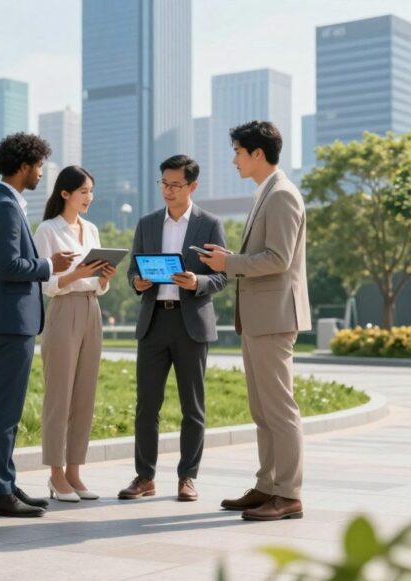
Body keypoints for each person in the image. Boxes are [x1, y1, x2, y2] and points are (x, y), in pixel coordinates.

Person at [200, 120, 311, 521]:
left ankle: (289, 493)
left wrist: (227, 263)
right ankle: (268, 485)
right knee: (262, 409)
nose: (234, 160)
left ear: (257, 154)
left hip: (274, 316)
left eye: (237, 152)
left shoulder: (281, 195)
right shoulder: (266, 193)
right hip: (259, 317)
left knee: (279, 409)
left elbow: (278, 259)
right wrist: (227, 259)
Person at [0, 132, 75, 518]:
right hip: (9, 321)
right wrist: (52, 266)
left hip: (11, 319)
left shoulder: (5, 202)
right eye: (38, 167)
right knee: (5, 409)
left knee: (9, 407)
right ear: (23, 166)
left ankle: (5, 483)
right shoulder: (2, 206)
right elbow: (9, 266)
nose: (41, 175)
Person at [118, 155, 228, 503]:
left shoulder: (209, 224)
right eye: (163, 183)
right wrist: (138, 282)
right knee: (146, 406)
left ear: (192, 186)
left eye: (175, 185)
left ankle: (187, 477)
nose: (167, 190)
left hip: (190, 322)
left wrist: (197, 281)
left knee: (192, 407)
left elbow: (223, 275)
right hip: (153, 321)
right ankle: (144, 477)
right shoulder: (147, 223)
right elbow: (131, 272)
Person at [33, 165, 117, 502]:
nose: (89, 198)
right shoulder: (47, 230)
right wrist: (77, 273)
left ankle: (75, 472)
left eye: (91, 191)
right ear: (65, 193)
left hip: (92, 309)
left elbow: (97, 284)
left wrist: (104, 277)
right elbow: (46, 283)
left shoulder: (92, 229)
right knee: (59, 396)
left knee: (85, 394)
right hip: (64, 309)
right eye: (83, 191)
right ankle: (55, 475)